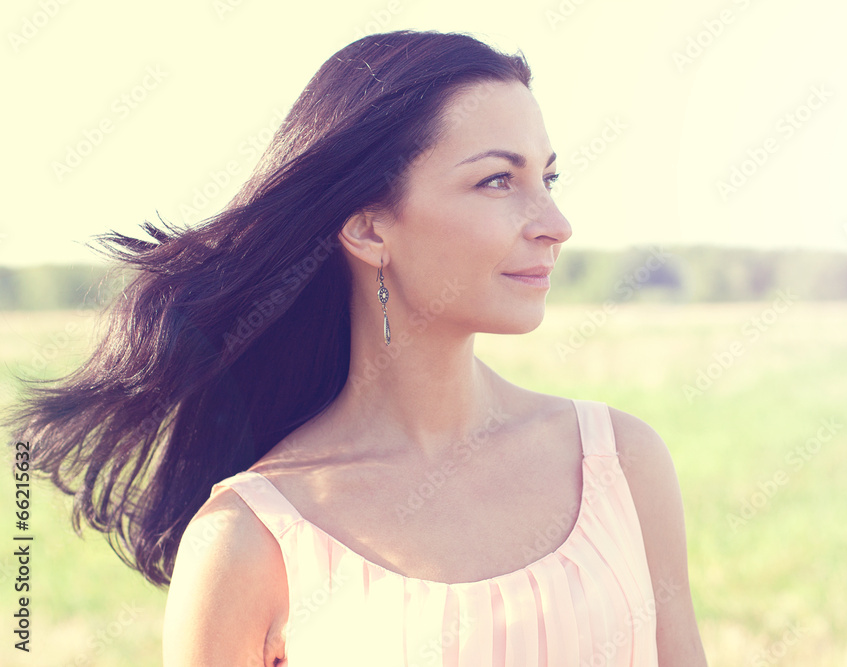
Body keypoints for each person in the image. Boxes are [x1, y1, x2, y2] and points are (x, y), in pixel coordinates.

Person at [6, 30, 707, 665]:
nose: (556, 223)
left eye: (546, 178)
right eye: (499, 180)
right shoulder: (249, 538)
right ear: (370, 229)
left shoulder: (621, 463)